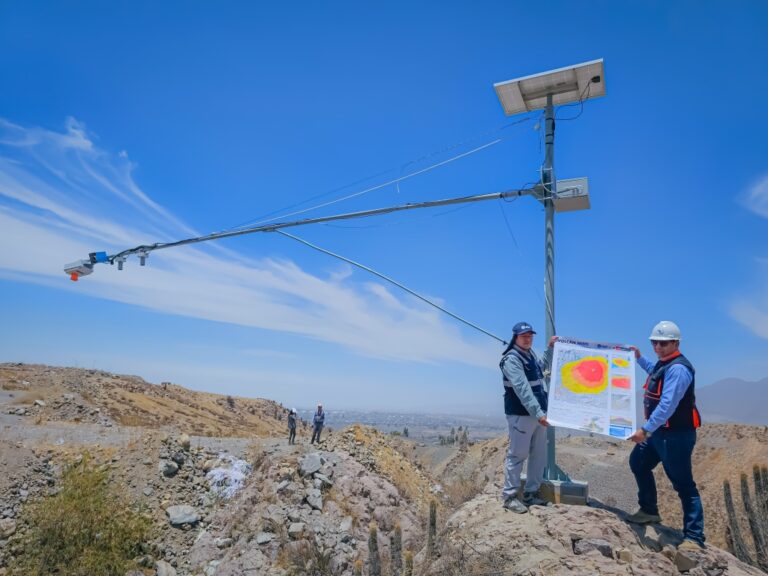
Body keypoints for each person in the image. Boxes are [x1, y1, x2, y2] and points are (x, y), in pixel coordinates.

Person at [627, 320, 705, 551]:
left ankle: (694, 537)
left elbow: (667, 405)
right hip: (659, 433)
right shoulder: (665, 364)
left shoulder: (679, 369)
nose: (657, 347)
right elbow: (655, 371)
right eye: (654, 342)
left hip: (675, 436)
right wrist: (640, 357)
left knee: (683, 485)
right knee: (638, 463)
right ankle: (649, 510)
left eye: (662, 343)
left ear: (675, 343)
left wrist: (645, 430)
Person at [500, 321, 556, 513]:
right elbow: (523, 389)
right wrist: (539, 413)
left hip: (537, 415)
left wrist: (549, 349)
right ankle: (509, 497)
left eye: (530, 335)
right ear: (515, 337)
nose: (528, 338)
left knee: (538, 455)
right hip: (522, 415)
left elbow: (540, 369)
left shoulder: (529, 355)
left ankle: (531, 494)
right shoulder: (512, 359)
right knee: (517, 455)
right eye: (524, 336)